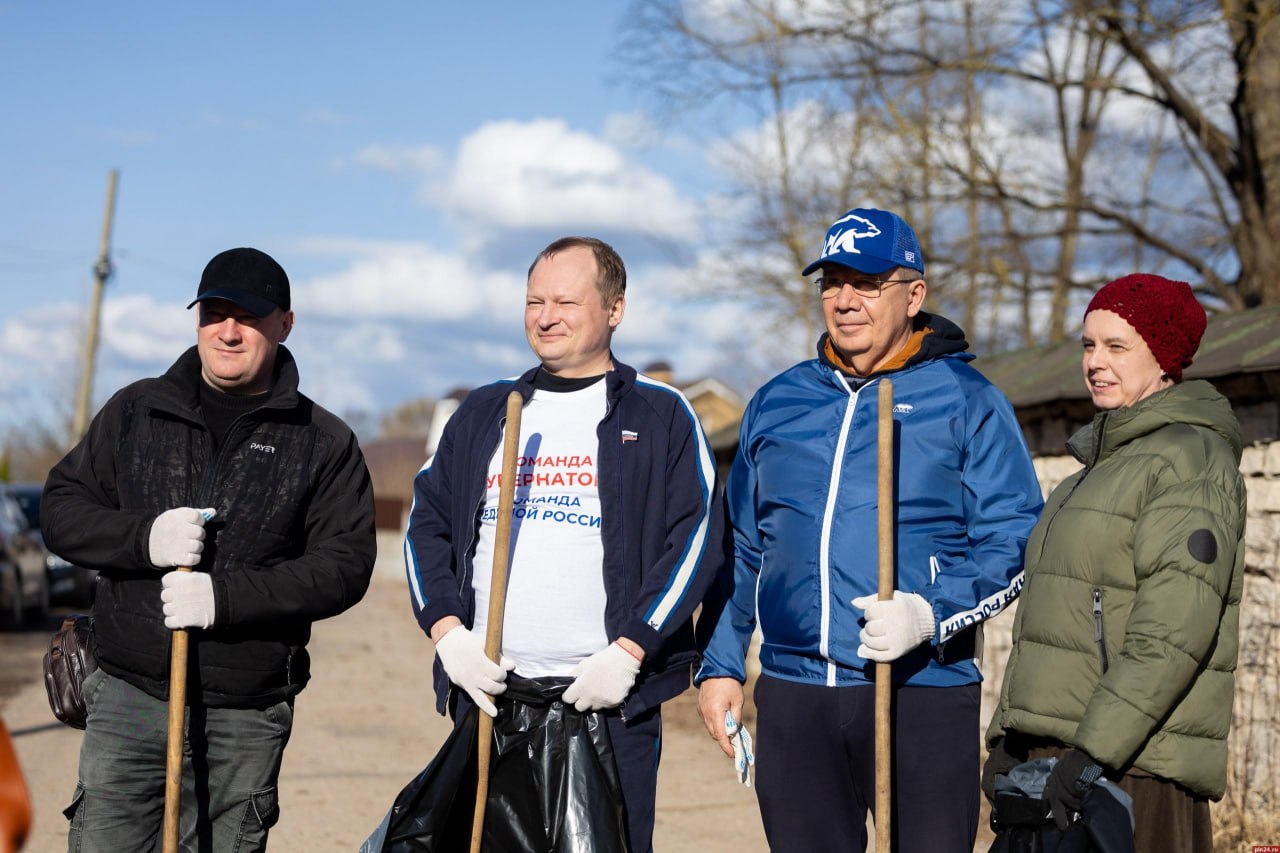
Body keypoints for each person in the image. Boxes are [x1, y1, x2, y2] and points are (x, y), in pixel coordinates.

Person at [696, 207, 1044, 852]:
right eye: (832, 282)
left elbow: (1017, 537)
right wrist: (720, 668)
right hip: (796, 693)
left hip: (920, 691)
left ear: (914, 295)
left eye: (866, 282)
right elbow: (739, 547)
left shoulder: (967, 399)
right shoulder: (779, 402)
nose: (844, 300)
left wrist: (931, 614)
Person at [42, 247, 377, 852]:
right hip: (128, 698)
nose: (227, 330)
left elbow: (344, 567)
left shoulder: (322, 441)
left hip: (245, 714)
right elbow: (62, 510)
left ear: (284, 324)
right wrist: (144, 539)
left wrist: (223, 599)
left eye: (246, 316)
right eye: (213, 313)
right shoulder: (137, 411)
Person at [405, 236, 724, 853]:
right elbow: (427, 521)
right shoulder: (486, 410)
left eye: (566, 302)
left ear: (615, 309)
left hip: (607, 704)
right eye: (534, 301)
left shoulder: (660, 415)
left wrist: (632, 649)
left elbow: (698, 538)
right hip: (493, 697)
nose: (546, 316)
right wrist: (449, 635)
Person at [984, 274, 1246, 851]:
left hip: (1133, 769)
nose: (1095, 362)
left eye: (1117, 346)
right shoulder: (1096, 470)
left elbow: (1174, 632)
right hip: (1064, 759)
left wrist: (1093, 753)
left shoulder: (1189, 459)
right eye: (1088, 345)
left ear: (1164, 358)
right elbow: (1054, 616)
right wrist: (1009, 733)